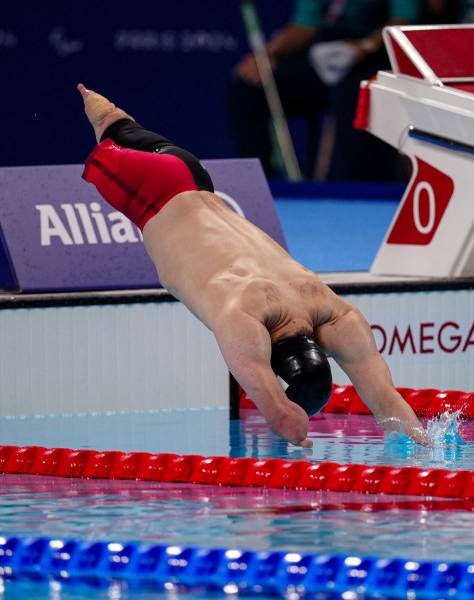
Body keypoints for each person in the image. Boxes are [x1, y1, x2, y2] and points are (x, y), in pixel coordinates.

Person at [77, 84, 431, 448]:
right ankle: (89, 98)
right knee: (103, 132)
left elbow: (388, 401)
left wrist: (423, 440)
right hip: (151, 192)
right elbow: (277, 408)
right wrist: (294, 429)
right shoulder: (242, 314)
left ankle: (92, 95)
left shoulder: (326, 304)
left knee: (112, 119)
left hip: (190, 172)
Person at [227, 0, 422, 182]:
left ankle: (350, 190)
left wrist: (365, 47)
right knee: (248, 89)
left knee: (354, 95)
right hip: (326, 57)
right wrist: (268, 54)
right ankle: (257, 186)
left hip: (376, 57)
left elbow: (404, 20)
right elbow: (306, 24)